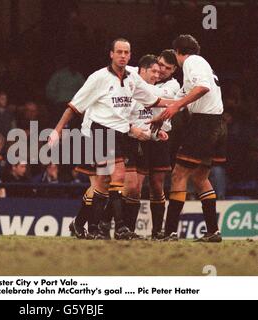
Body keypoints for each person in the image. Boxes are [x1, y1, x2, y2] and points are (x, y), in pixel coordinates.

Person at [49, 38, 173, 240]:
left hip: (120, 134)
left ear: (130, 55)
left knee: (103, 183)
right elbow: (74, 106)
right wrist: (58, 129)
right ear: (111, 54)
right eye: (119, 52)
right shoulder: (98, 78)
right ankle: (118, 226)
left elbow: (154, 100)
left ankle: (84, 225)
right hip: (99, 131)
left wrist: (179, 103)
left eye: (126, 52)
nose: (123, 55)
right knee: (117, 177)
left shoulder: (132, 79)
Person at [148, 34, 226, 242]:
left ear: (177, 52)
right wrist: (158, 108)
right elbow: (180, 98)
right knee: (200, 178)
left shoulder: (193, 61)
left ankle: (170, 231)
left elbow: (202, 88)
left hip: (204, 123)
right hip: (214, 123)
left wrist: (175, 106)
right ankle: (213, 231)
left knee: (178, 175)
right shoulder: (200, 66)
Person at [124, 54, 179, 240]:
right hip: (137, 138)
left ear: (174, 71)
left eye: (166, 68)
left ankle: (157, 232)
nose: (161, 71)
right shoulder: (137, 79)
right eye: (159, 66)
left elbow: (155, 96)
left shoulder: (172, 86)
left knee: (157, 186)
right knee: (133, 186)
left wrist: (137, 78)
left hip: (159, 138)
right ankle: (126, 229)